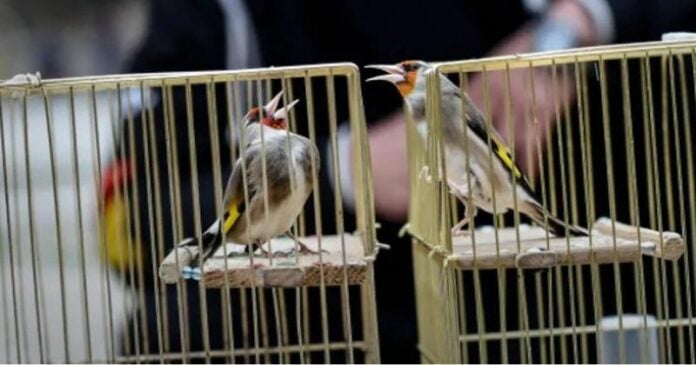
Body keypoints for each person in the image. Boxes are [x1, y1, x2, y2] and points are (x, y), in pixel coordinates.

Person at [101, 0, 696, 362]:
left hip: (574, 295)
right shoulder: (214, 18)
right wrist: (336, 172)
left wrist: (576, 24)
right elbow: (129, 223)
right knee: (176, 327)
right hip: (350, 318)